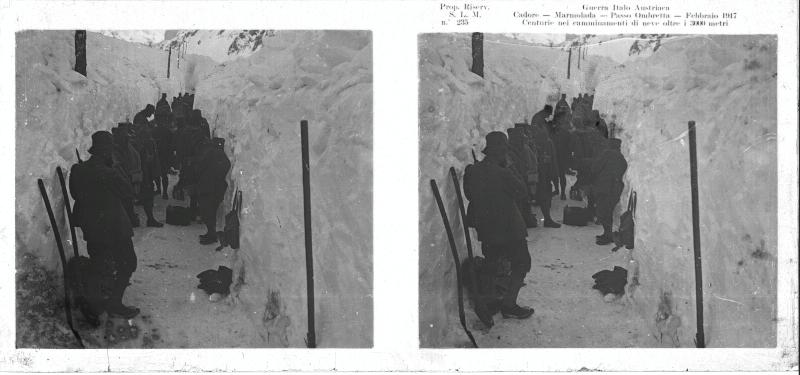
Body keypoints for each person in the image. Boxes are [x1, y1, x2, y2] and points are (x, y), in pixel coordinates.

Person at [70, 131, 140, 320]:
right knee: (128, 262)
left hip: (92, 227)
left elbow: (75, 194)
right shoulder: (110, 171)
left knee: (98, 263)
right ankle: (114, 303)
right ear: (107, 151)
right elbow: (128, 192)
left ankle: (94, 305)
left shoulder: (78, 169)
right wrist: (115, 168)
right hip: (113, 227)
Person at [464, 131, 535, 320]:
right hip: (510, 228)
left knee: (491, 263)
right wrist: (510, 168)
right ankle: (509, 304)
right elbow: (522, 192)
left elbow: (469, 195)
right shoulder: (504, 172)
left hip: (486, 227)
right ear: (501, 151)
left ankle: (488, 301)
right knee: (522, 263)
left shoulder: (472, 171)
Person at [590, 138, 628, 245]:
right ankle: (607, 233)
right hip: (615, 188)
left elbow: (595, 168)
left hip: (605, 187)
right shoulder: (621, 157)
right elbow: (623, 168)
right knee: (608, 211)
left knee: (603, 211)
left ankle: (608, 235)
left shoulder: (607, 154)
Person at [197, 137, 231, 245]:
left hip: (208, 187)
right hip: (216, 187)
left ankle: (211, 235)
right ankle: (211, 233)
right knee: (210, 211)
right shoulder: (222, 156)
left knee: (207, 212)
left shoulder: (211, 153)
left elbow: (200, 166)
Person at [530, 113, 561, 228]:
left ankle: (546, 219)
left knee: (543, 197)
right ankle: (546, 219)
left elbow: (552, 162)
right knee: (544, 197)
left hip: (541, 175)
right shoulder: (545, 142)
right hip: (540, 175)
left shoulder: (543, 142)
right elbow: (553, 162)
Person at [112, 125, 142, 227]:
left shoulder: (129, 147)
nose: (126, 140)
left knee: (128, 200)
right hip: (121, 178)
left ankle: (130, 217)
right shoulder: (114, 150)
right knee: (124, 201)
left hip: (129, 177)